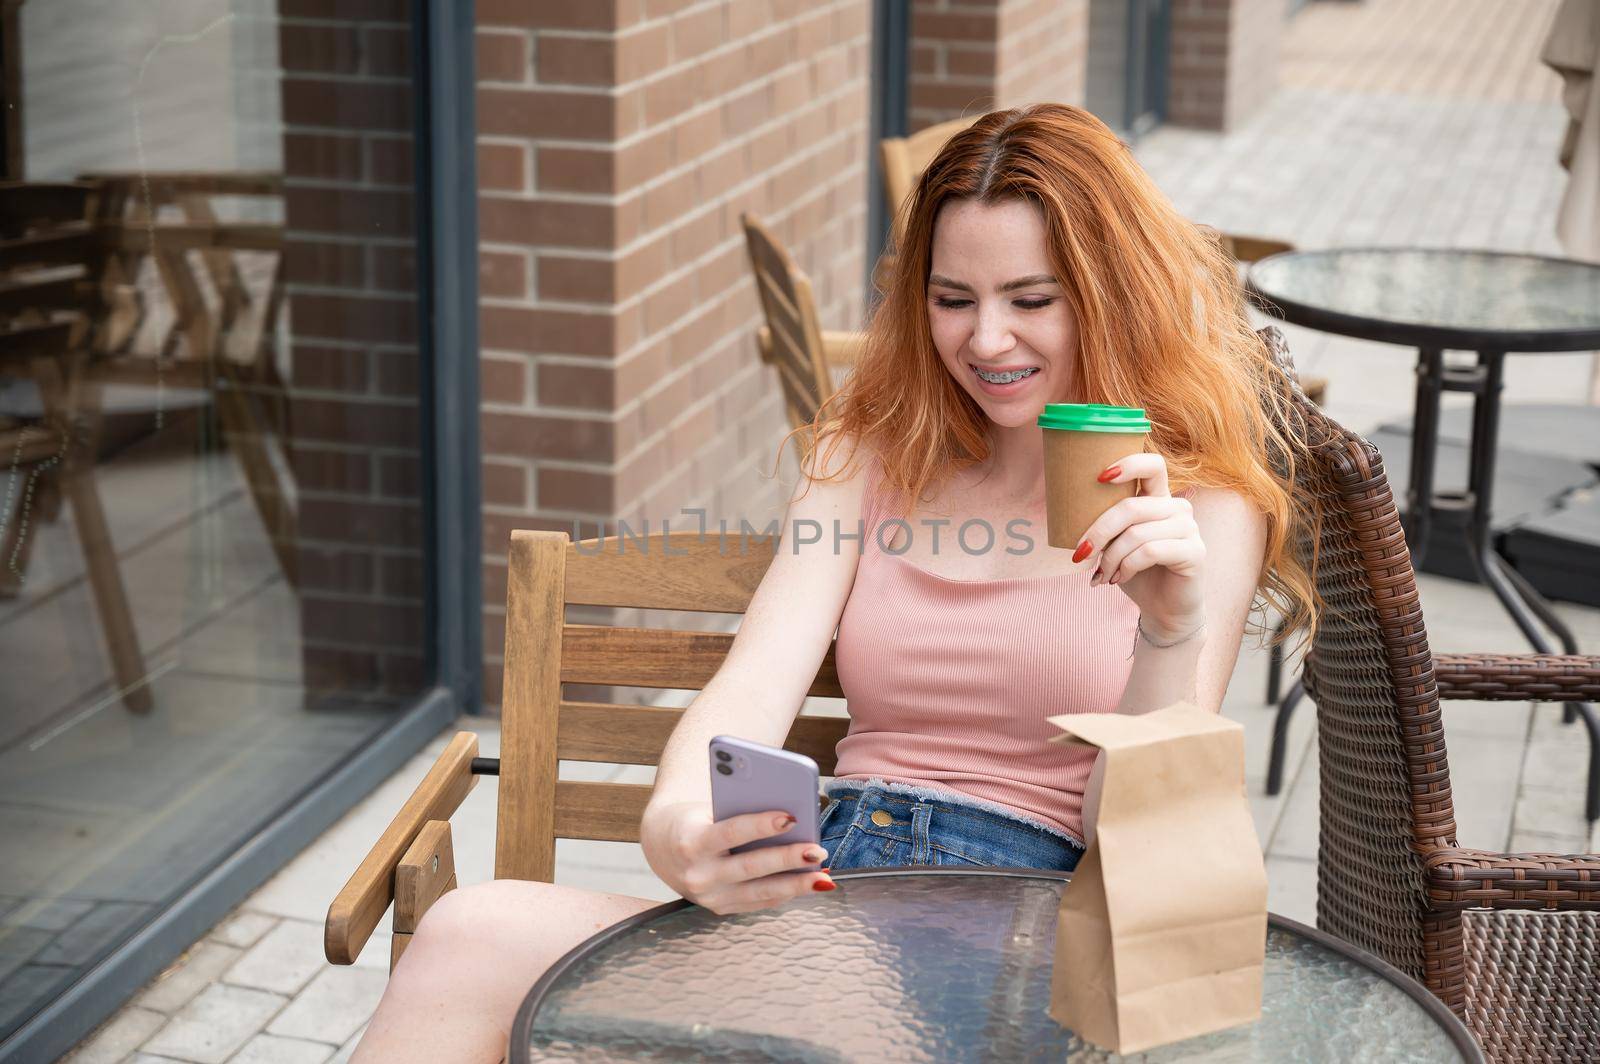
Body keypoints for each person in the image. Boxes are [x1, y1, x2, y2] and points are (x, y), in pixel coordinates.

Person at [351, 103, 1315, 1063]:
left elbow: (1130, 839)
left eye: (1031, 299)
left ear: (1111, 292)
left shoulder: (1197, 504)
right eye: (952, 299)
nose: (985, 341)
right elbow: (752, 682)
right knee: (465, 932)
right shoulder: (872, 449)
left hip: (1020, 929)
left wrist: (1168, 632)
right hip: (824, 883)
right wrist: (679, 824)